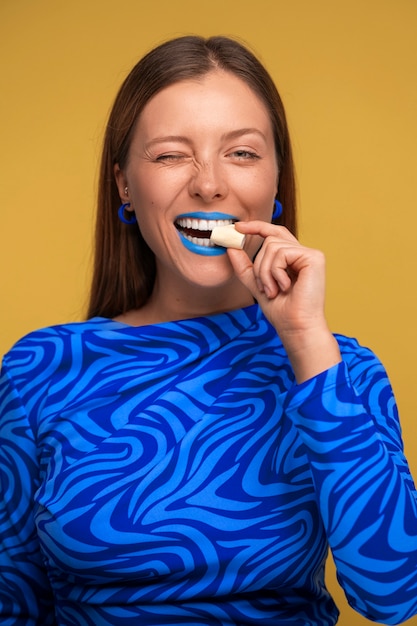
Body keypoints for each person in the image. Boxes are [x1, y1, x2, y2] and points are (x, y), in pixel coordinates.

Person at [0, 35, 416, 626]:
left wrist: (306, 345)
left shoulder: (338, 370)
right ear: (124, 184)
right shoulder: (40, 369)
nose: (209, 185)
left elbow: (395, 593)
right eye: (172, 155)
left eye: (242, 154)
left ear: (275, 184)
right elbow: (10, 603)